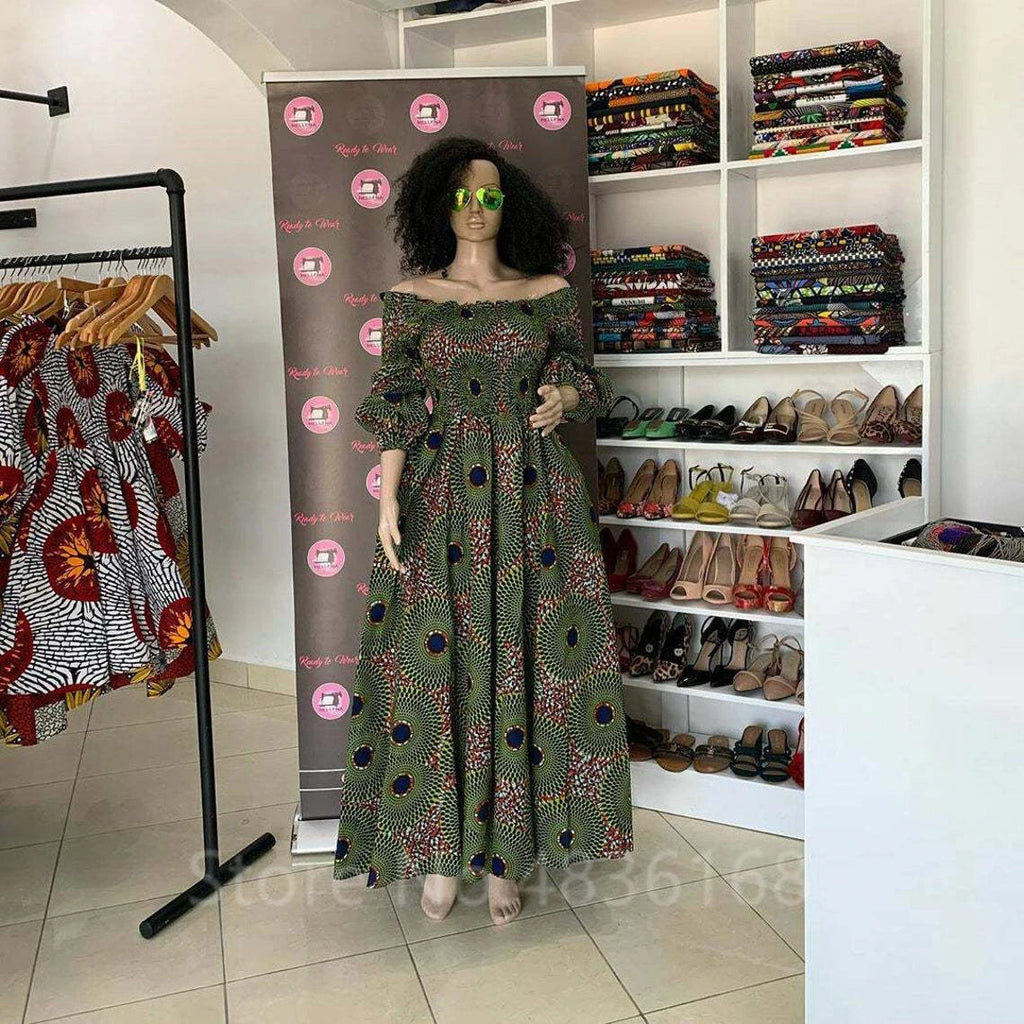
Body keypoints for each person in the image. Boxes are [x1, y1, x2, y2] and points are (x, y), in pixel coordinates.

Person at [334, 136, 633, 925]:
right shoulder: (411, 297)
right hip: (442, 493)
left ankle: (509, 853)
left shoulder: (546, 292)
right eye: (463, 195)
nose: (476, 208)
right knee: (439, 663)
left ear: (510, 204)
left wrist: (566, 398)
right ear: (439, 204)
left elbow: (585, 377)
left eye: (490, 195)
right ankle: (440, 850)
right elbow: (397, 399)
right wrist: (388, 500)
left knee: (531, 661)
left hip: (536, 493)